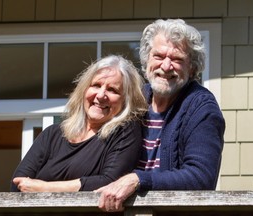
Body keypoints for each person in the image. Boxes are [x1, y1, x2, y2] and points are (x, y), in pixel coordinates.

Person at [96, 19, 225, 212]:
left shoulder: (201, 106)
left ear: (192, 68)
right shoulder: (134, 98)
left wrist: (139, 179)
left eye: (177, 59)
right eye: (158, 56)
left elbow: (201, 177)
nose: (166, 66)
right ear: (147, 60)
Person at [10, 55, 147, 192]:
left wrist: (44, 187)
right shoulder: (52, 134)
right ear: (83, 90)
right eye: (96, 85)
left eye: (112, 90)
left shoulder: (125, 133)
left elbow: (109, 182)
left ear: (125, 101)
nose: (100, 95)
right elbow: (18, 184)